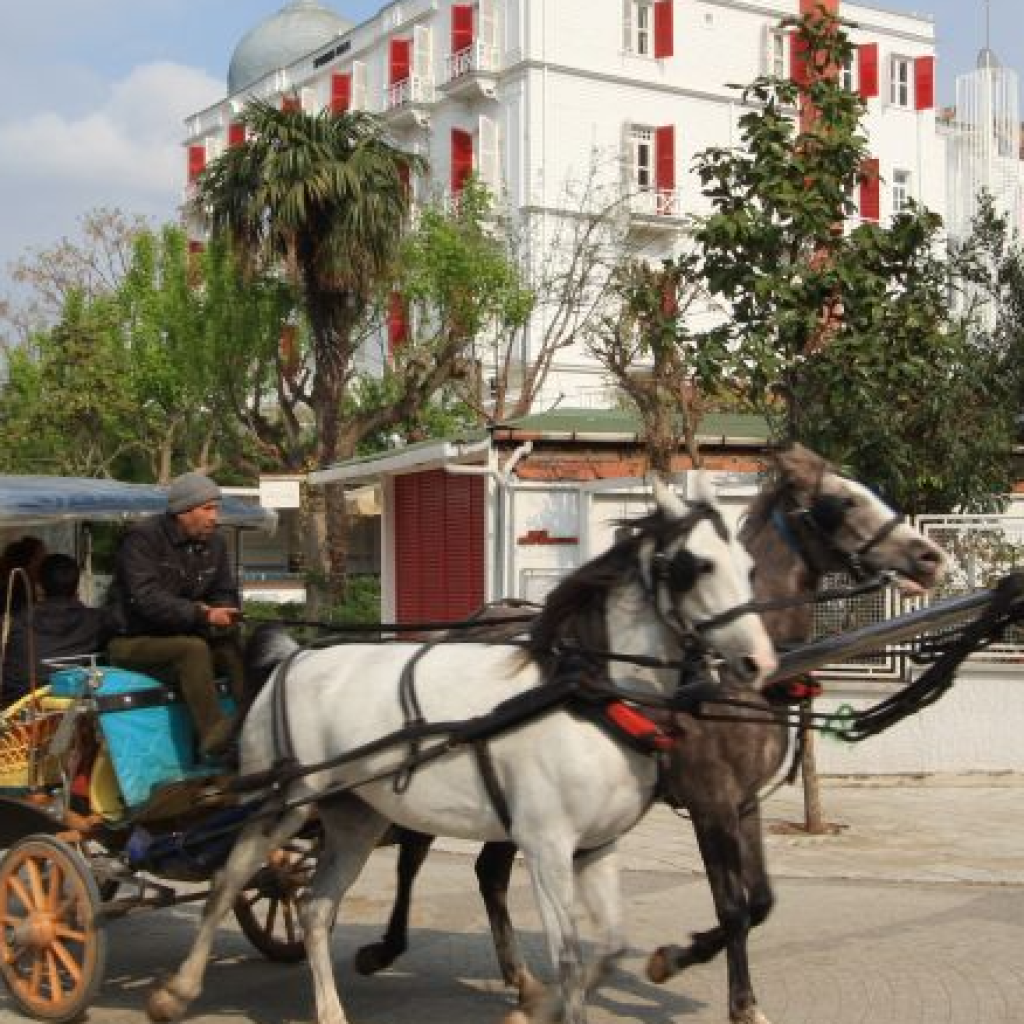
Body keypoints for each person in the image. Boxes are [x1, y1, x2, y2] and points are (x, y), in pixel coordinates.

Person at [107, 472, 244, 758]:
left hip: (187, 630)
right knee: (191, 650)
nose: (215, 517)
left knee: (232, 646)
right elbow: (146, 599)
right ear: (184, 510)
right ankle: (213, 738)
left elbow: (225, 591)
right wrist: (201, 615)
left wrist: (224, 613)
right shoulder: (142, 538)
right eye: (208, 508)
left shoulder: (215, 544)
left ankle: (252, 723)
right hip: (132, 641)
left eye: (216, 508)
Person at [1, 553, 112, 706]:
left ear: (39, 587)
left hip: (18, 710)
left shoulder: (14, 622)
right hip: (72, 705)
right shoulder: (97, 621)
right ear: (77, 587)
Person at [0, 535, 47, 617]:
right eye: (41, 558)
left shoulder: (27, 589)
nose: (45, 564)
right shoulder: (18, 596)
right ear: (29, 562)